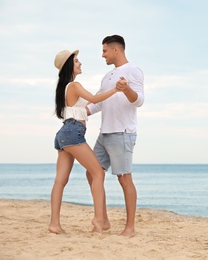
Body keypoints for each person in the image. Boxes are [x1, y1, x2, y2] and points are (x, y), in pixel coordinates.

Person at [49, 49, 124, 234]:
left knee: (60, 181)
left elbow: (85, 106)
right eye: (76, 61)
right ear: (69, 66)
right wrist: (116, 89)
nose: (80, 63)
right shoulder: (74, 86)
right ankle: (100, 222)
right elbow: (94, 99)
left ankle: (54, 224)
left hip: (64, 133)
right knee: (98, 173)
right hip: (73, 132)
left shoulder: (63, 87)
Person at [86, 35, 144, 237]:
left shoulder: (132, 70)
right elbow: (98, 102)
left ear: (116, 50)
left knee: (124, 179)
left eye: (105, 51)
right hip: (105, 133)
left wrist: (126, 88)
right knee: (91, 172)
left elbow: (139, 100)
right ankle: (103, 220)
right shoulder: (107, 76)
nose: (103, 55)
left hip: (122, 132)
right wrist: (78, 112)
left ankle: (130, 228)